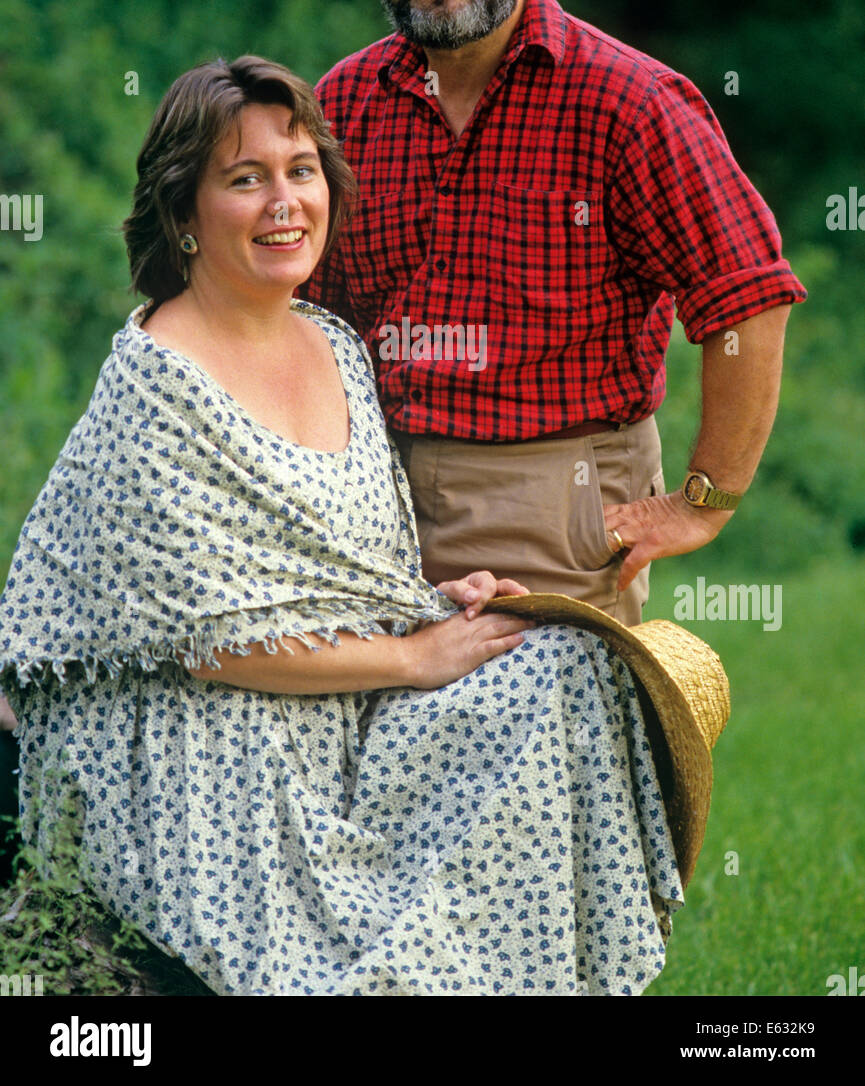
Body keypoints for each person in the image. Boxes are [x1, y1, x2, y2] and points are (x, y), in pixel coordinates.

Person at [0, 56, 693, 996]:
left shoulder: (333, 343)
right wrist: (415, 659)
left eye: (301, 169)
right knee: (344, 925)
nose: (285, 201)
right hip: (208, 735)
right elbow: (211, 645)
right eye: (244, 179)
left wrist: (430, 608)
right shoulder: (155, 383)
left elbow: (346, 573)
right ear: (183, 215)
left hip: (345, 704)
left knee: (564, 663)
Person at [302, 0, 808, 628]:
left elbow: (747, 297)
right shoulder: (341, 104)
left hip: (552, 502)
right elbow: (298, 318)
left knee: (538, 749)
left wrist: (705, 499)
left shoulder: (628, 102)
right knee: (366, 752)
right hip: (364, 501)